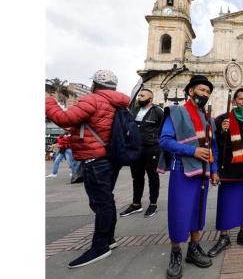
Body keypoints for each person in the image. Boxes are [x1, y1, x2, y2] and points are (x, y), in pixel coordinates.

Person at [45, 69, 130, 268]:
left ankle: (100, 246)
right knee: (106, 199)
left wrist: (48, 101)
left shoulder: (93, 100)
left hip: (95, 158)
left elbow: (64, 119)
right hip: (108, 157)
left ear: (94, 84)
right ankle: (108, 239)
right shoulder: (116, 102)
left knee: (101, 203)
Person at [157, 75, 219, 278]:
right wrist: (192, 151)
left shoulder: (209, 119)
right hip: (182, 170)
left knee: (198, 212)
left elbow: (213, 148)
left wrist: (215, 170)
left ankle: (194, 248)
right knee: (179, 212)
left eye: (208, 92)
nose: (205, 94)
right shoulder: (176, 112)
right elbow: (165, 141)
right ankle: (175, 253)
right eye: (202, 90)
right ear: (191, 91)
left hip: (202, 173)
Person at [207, 88, 243, 257]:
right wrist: (222, 131)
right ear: (234, 101)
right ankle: (224, 237)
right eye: (241, 99)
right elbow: (214, 147)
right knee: (226, 204)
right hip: (229, 170)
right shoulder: (221, 120)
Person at [120, 89, 164, 218]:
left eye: (142, 96)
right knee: (137, 177)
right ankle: (136, 204)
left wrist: (157, 141)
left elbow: (163, 129)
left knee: (153, 177)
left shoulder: (157, 111)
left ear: (150, 99)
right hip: (136, 149)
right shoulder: (134, 111)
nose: (140, 97)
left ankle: (153, 204)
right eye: (139, 95)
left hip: (151, 149)